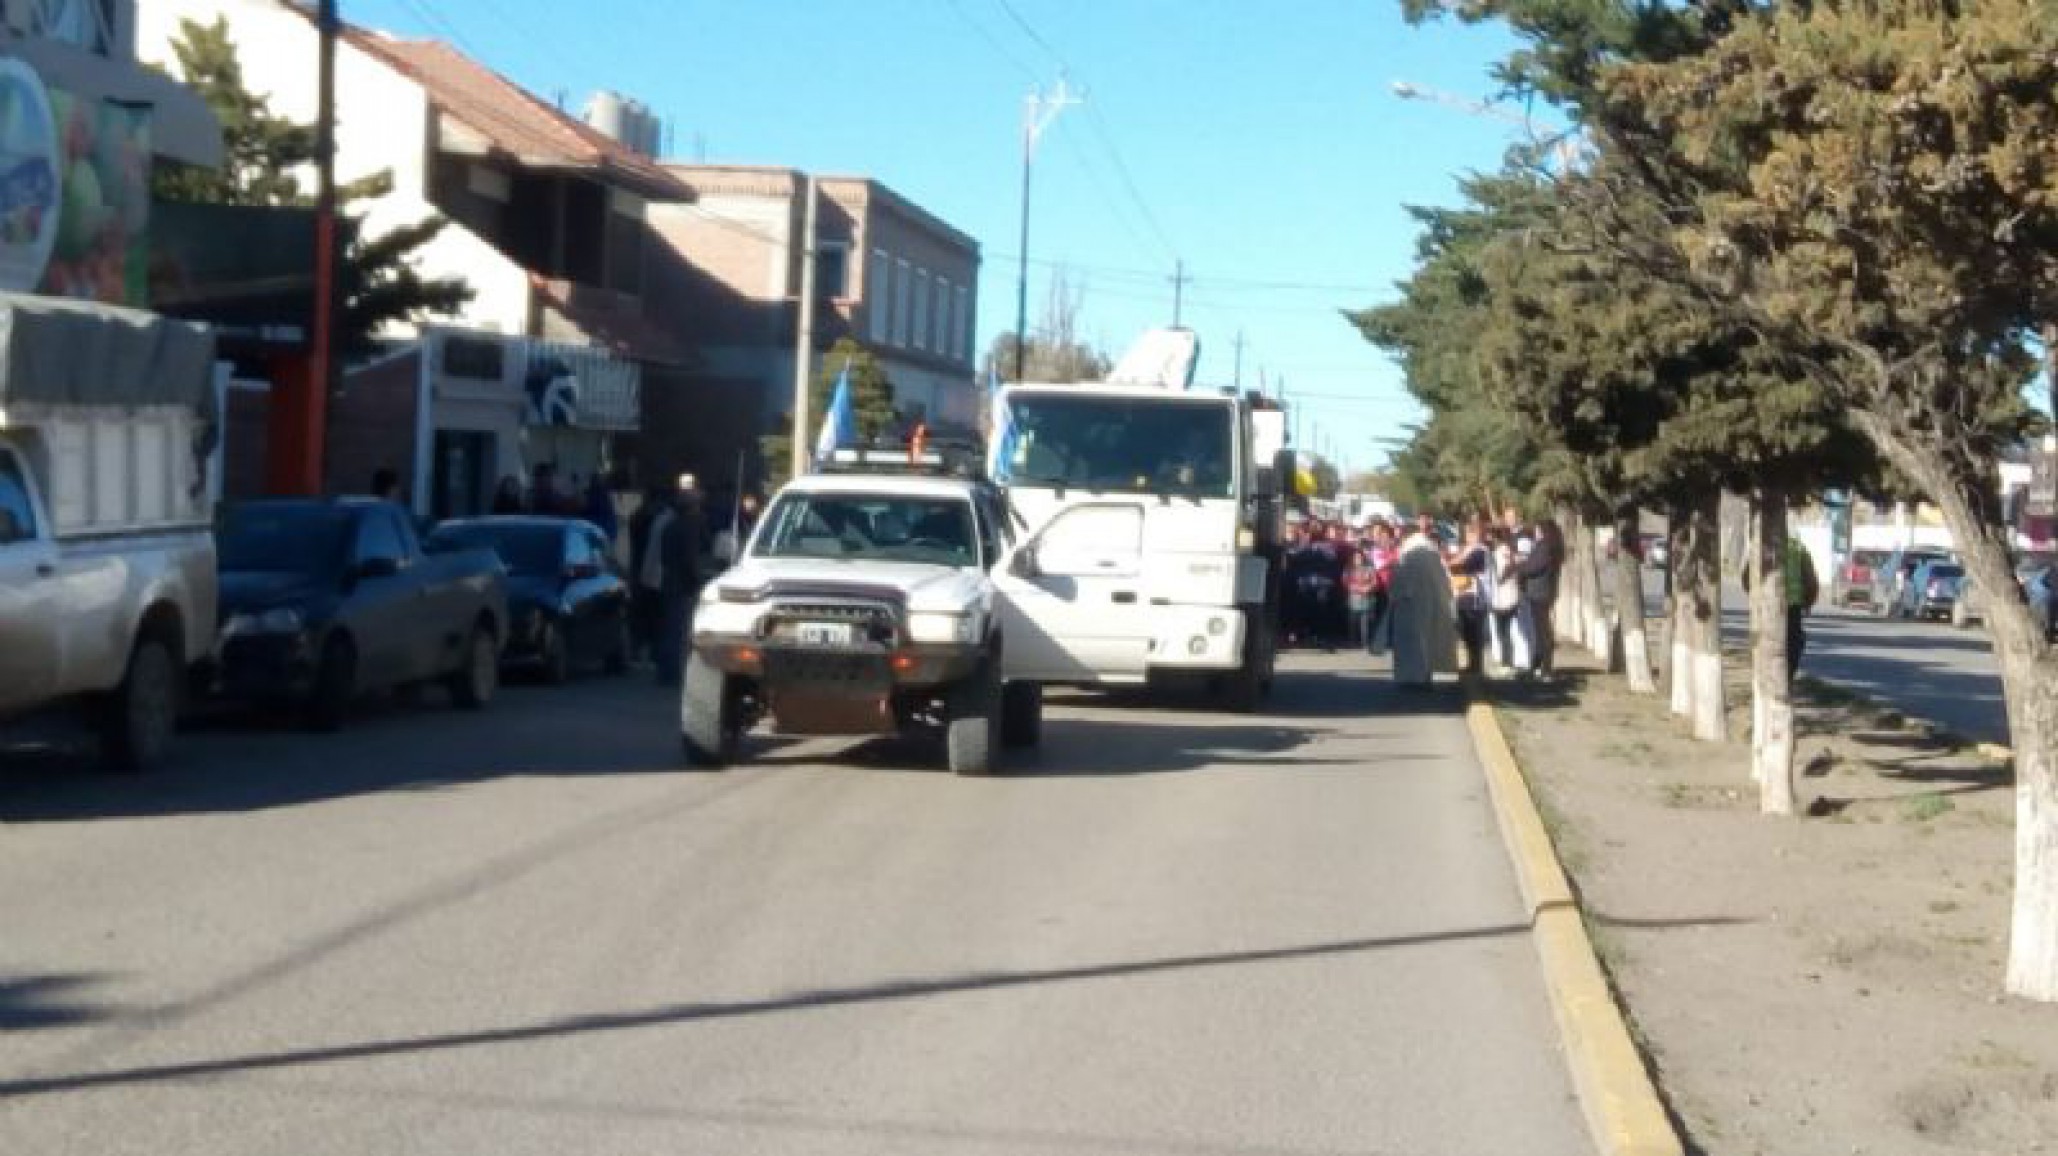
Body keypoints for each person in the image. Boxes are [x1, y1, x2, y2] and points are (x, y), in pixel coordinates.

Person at [1390, 515, 1458, 686]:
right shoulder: (1430, 548)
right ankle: (1425, 675)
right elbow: (1442, 576)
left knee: (1409, 641)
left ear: (1405, 536)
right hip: (1430, 600)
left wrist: (1394, 594)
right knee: (1426, 638)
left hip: (1409, 602)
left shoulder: (1409, 550)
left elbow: (1402, 577)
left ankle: (1410, 677)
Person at [1514, 517, 1566, 679]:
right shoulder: (1552, 547)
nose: (1535, 533)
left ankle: (1545, 669)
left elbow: (1533, 567)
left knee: (1542, 631)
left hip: (1539, 592)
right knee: (1541, 630)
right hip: (1545, 591)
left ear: (1543, 531)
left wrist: (1519, 566)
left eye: (1537, 530)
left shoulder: (1544, 547)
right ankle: (1538, 665)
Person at [1450, 518, 1492, 675]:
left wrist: (1451, 563)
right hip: (1464, 594)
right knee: (1466, 633)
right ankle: (1471, 664)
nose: (1468, 536)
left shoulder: (1480, 551)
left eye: (1471, 533)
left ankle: (1476, 666)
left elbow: (1465, 566)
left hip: (1474, 597)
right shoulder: (1468, 549)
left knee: (1473, 633)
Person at [1490, 527, 1525, 672]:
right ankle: (1508, 661)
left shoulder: (1498, 554)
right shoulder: (1514, 553)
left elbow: (1499, 574)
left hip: (1501, 598)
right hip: (1513, 596)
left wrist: (1496, 580)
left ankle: (1506, 662)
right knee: (1507, 630)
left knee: (1502, 631)